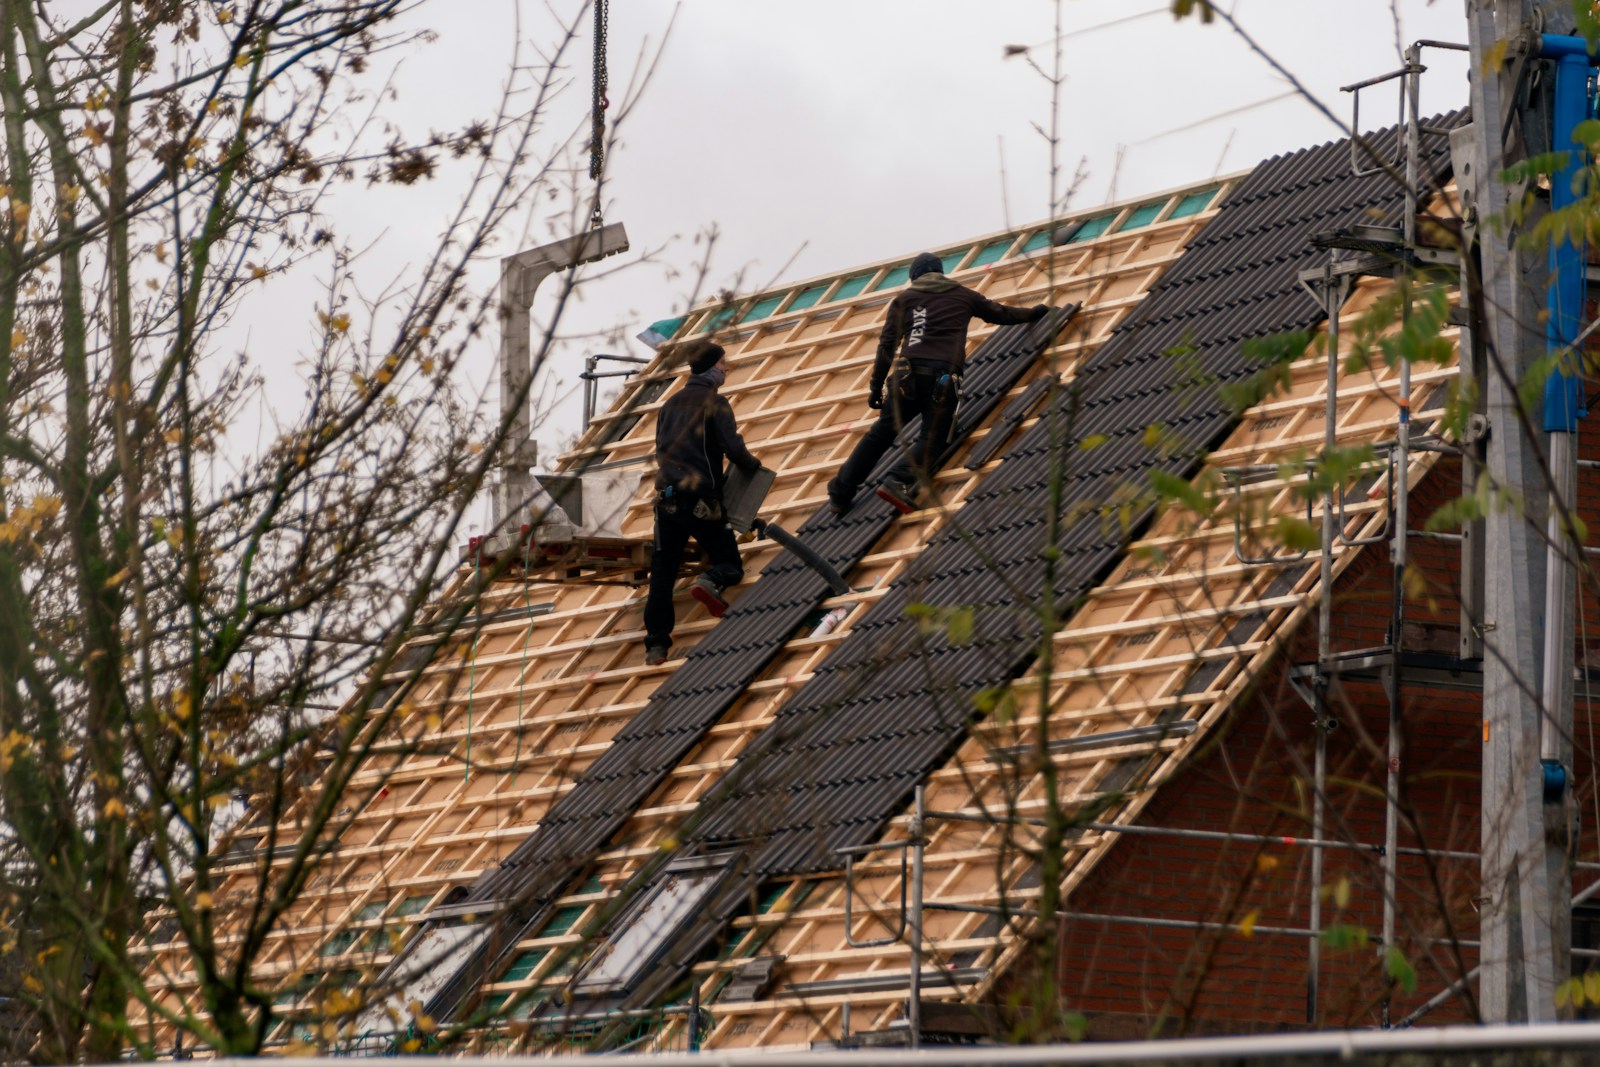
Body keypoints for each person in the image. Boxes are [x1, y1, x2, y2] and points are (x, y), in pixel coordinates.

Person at [828, 252, 1048, 514]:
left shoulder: (905, 299)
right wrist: (1035, 312)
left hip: (904, 378)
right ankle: (898, 479)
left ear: (915, 277)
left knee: (881, 434)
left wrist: (876, 386)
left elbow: (887, 346)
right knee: (933, 437)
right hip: (941, 379)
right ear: (940, 272)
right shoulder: (963, 295)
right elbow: (1001, 313)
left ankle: (841, 492)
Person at [643, 339, 761, 665]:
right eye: (723, 364)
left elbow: (660, 449)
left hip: (666, 500)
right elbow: (734, 450)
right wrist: (754, 468)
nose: (726, 370)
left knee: (663, 573)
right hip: (702, 502)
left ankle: (655, 645)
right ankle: (709, 582)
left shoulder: (669, 405)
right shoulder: (715, 404)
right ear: (711, 368)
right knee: (730, 565)